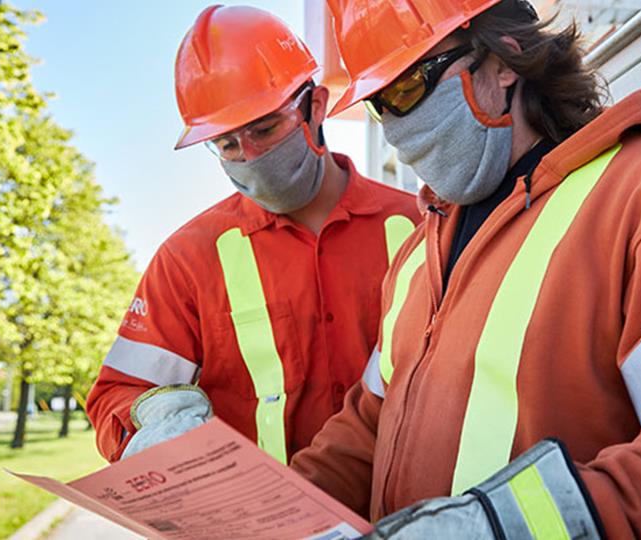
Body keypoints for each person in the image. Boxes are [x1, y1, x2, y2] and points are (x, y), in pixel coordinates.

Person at [288, 1, 641, 538]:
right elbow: (368, 427)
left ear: (503, 61)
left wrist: (497, 528)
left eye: (408, 88)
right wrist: (270, 511)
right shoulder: (417, 252)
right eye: (381, 104)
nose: (398, 126)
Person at [85, 5, 420, 465]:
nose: (250, 155)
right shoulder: (188, 260)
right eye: (227, 143)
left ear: (315, 108)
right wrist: (151, 427)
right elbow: (117, 396)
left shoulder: (417, 226)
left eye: (265, 128)